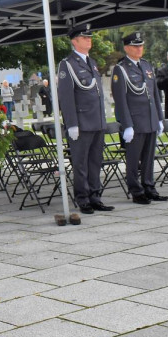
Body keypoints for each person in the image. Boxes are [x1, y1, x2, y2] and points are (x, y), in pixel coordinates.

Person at [57, 24, 113, 214]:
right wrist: (71, 123)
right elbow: (66, 96)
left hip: (97, 121)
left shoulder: (92, 62)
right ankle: (83, 199)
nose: (89, 39)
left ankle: (95, 196)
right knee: (80, 164)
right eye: (84, 37)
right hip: (81, 123)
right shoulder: (67, 64)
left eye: (90, 37)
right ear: (75, 41)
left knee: (95, 162)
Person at [113, 32, 168, 205]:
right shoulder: (121, 69)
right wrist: (127, 125)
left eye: (141, 46)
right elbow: (120, 99)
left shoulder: (146, 65)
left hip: (150, 119)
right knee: (133, 159)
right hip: (135, 122)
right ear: (127, 48)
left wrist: (160, 118)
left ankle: (149, 187)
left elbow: (155, 95)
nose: (139, 49)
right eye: (135, 46)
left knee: (149, 158)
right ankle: (136, 191)